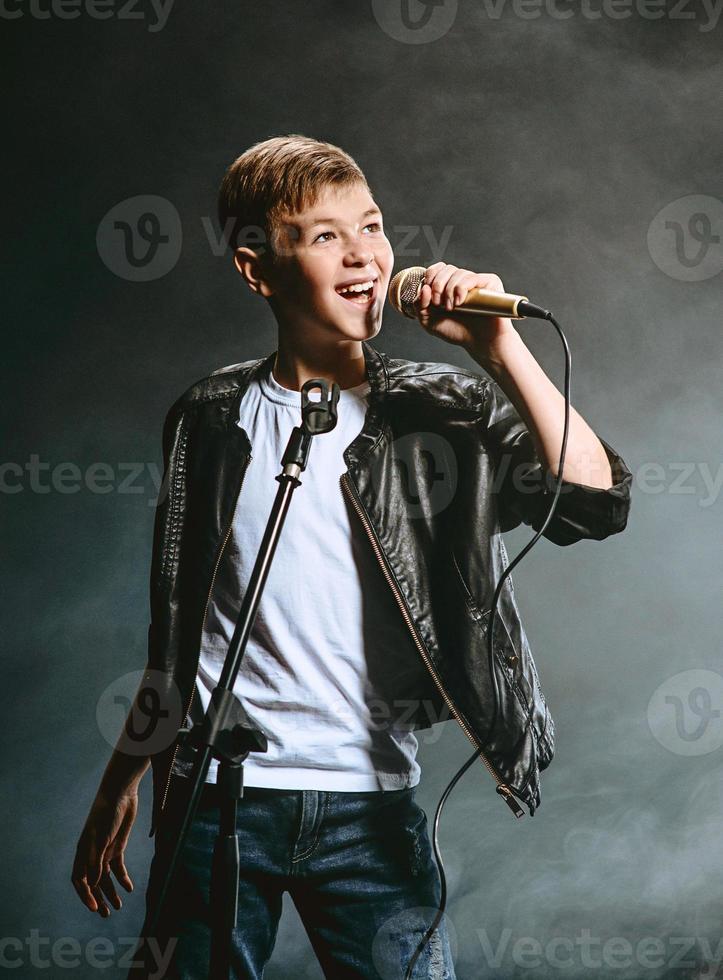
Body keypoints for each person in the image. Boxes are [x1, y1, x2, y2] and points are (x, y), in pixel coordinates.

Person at [71, 135, 632, 979]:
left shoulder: (439, 408)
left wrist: (495, 350)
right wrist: (124, 778)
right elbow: (179, 625)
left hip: (371, 810)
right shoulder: (207, 418)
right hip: (216, 803)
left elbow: (594, 503)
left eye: (371, 226)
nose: (364, 251)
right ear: (258, 269)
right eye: (326, 235)